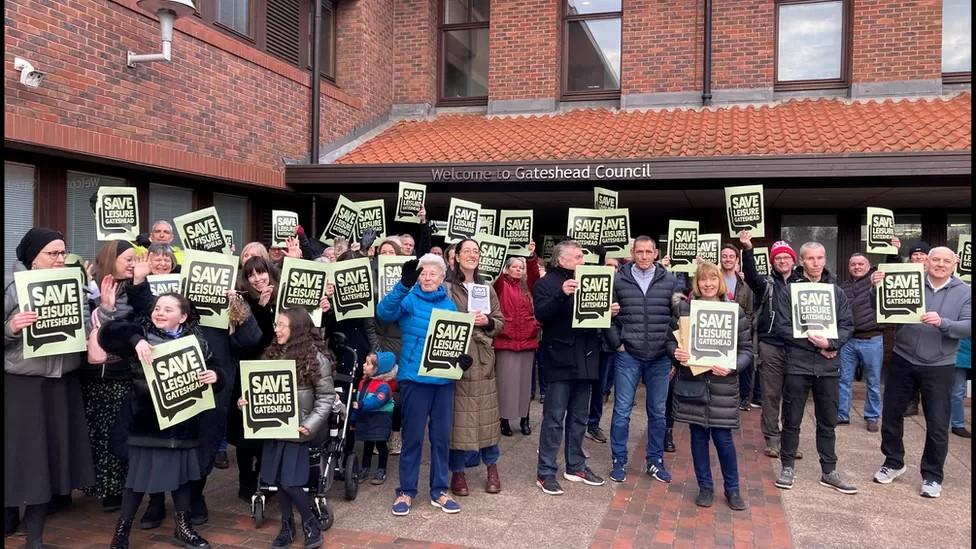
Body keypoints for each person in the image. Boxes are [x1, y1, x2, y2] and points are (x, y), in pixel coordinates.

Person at [99, 293, 223, 549]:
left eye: (168, 309)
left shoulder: (196, 340)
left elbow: (216, 368)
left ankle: (183, 528)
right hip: (148, 425)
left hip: (184, 424)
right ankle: (121, 532)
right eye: (157, 308)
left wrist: (215, 376)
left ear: (184, 316)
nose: (160, 312)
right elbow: (108, 334)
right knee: (136, 482)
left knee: (182, 480)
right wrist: (136, 341)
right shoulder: (140, 332)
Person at [4, 228, 96, 549]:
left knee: (46, 459)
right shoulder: (12, 288)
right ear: (33, 258)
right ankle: (10, 515)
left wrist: (99, 317)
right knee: (20, 457)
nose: (60, 259)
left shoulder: (77, 289)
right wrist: (12, 328)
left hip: (61, 385)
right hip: (22, 385)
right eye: (52, 253)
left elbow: (86, 333)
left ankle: (35, 536)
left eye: (62, 253)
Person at [871, 247, 971, 498]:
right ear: (926, 261)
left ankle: (932, 475)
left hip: (940, 365)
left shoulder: (965, 292)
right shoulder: (909, 281)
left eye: (945, 261)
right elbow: (881, 309)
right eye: (935, 259)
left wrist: (943, 323)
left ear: (954, 263)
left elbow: (968, 326)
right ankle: (893, 462)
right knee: (892, 414)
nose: (939, 264)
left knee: (937, 422)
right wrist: (877, 289)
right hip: (903, 358)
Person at [376, 254, 468, 516]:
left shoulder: (450, 306)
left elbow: (454, 340)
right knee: (413, 437)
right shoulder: (409, 299)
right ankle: (406, 491)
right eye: (423, 273)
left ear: (442, 277)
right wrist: (403, 285)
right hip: (415, 379)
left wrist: (461, 361)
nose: (427, 278)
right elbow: (384, 312)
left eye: (433, 274)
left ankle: (439, 490)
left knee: (441, 438)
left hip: (443, 382)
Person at [239, 308, 335, 549]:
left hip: (299, 430)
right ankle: (286, 525)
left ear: (298, 328)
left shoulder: (316, 358)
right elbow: (256, 390)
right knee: (278, 480)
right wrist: (245, 403)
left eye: (282, 325)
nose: (276, 329)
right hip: (272, 428)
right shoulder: (270, 355)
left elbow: (326, 398)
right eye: (276, 324)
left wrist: (310, 424)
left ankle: (310, 522)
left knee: (290, 482)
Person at [772, 241, 857, 494]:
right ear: (801, 261)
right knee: (791, 419)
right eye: (811, 258)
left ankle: (829, 471)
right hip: (798, 365)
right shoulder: (789, 292)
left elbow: (847, 325)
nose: (817, 263)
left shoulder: (836, 292)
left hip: (829, 367)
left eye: (820, 258)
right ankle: (787, 467)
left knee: (827, 421)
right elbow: (783, 328)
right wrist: (817, 346)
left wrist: (831, 344)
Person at [668, 261, 751, 511]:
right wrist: (676, 353)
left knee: (724, 440)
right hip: (692, 384)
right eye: (703, 279)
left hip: (722, 385)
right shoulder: (684, 309)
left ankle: (732, 489)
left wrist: (732, 366)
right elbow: (669, 341)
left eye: (713, 279)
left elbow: (747, 350)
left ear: (720, 282)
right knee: (697, 438)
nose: (708, 284)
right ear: (696, 282)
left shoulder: (734, 311)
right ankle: (705, 487)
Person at [80, 240, 153, 512]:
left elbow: (140, 318)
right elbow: (87, 326)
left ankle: (116, 489)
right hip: (92, 373)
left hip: (121, 372)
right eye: (128, 259)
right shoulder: (91, 286)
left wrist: (139, 282)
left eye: (136, 258)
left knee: (117, 433)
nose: (133, 263)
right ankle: (99, 485)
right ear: (112, 260)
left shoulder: (135, 287)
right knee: (96, 431)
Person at [533, 240, 608, 495]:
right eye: (577, 257)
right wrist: (561, 294)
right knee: (554, 418)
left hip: (586, 356)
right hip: (560, 357)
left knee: (579, 417)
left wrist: (609, 311)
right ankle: (545, 472)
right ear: (561, 260)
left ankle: (576, 465)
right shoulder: (547, 284)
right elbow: (541, 314)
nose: (582, 261)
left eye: (582, 257)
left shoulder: (589, 280)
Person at [606, 236, 680, 484]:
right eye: (640, 252)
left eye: (649, 252)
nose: (644, 256)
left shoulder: (670, 281)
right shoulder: (618, 280)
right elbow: (607, 315)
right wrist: (618, 343)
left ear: (656, 253)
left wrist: (672, 353)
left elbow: (677, 318)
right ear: (632, 252)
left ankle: (655, 461)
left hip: (659, 356)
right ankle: (618, 460)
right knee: (622, 411)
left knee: (658, 413)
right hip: (629, 355)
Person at [445, 239, 506, 496]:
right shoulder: (447, 288)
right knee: (458, 420)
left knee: (488, 416)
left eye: (476, 251)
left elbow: (501, 321)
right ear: (456, 256)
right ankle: (457, 472)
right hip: (459, 359)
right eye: (466, 251)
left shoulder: (486, 287)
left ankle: (492, 467)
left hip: (482, 360)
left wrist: (488, 320)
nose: (472, 255)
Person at [739, 232, 803, 460]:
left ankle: (790, 440)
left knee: (793, 395)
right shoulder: (765, 283)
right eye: (778, 258)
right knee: (771, 394)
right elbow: (750, 275)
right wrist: (747, 249)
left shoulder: (803, 283)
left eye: (786, 257)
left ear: (793, 261)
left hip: (798, 347)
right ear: (772, 262)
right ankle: (772, 439)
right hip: (771, 344)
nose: (782, 261)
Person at [227, 256, 280, 500]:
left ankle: (264, 476)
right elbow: (252, 342)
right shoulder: (242, 301)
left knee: (270, 427)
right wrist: (260, 306)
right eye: (251, 275)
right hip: (248, 371)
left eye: (261, 273)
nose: (257, 278)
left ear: (270, 272)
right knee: (246, 432)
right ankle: (246, 480)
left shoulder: (282, 296)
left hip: (277, 371)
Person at [493, 251, 541, 438]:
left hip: (527, 340)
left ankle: (524, 418)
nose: (519, 270)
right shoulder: (501, 285)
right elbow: (494, 278)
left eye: (521, 268)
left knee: (524, 384)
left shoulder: (527, 286)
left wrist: (531, 258)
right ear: (507, 269)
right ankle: (504, 419)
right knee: (506, 383)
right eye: (515, 267)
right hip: (506, 340)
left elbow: (535, 276)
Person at [838, 253, 883, 431]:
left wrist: (893, 254)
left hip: (872, 339)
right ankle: (842, 414)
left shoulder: (876, 281)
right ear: (849, 267)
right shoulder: (843, 286)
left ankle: (872, 417)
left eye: (860, 264)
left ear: (869, 265)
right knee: (843, 379)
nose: (857, 267)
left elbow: (894, 270)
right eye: (853, 264)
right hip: (848, 340)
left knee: (873, 381)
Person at [720, 244, 754, 410]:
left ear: (736, 259)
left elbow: (749, 311)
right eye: (724, 256)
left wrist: (743, 329)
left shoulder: (744, 284)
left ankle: (744, 398)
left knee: (743, 366)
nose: (727, 259)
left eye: (731, 256)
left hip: (739, 332)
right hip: (719, 331)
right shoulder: (715, 279)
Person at [354, 352, 397, 485]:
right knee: (367, 444)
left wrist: (361, 405)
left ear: (377, 369)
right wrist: (353, 419)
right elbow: (358, 400)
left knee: (380, 444)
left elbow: (376, 401)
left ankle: (381, 469)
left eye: (368, 363)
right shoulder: (363, 383)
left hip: (380, 419)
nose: (364, 365)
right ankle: (365, 468)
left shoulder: (383, 386)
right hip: (367, 418)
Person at [950, 338, 972, 438]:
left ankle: (957, 424)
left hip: (963, 355)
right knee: (957, 392)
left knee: (957, 392)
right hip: (961, 355)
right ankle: (957, 424)